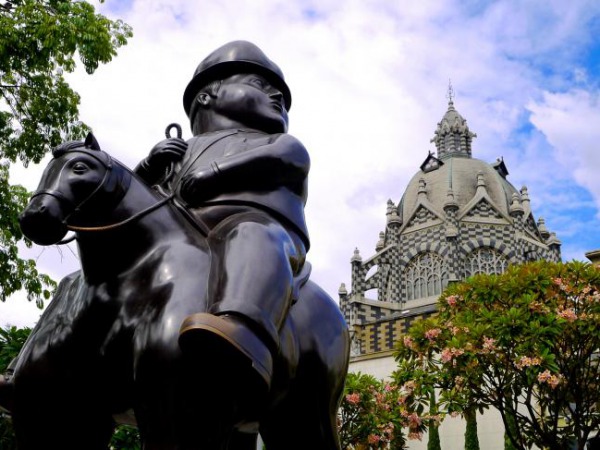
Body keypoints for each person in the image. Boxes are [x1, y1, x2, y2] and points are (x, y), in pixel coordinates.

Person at [135, 41, 310, 397]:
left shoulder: (279, 142)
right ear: (207, 96)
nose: (276, 95)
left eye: (277, 91)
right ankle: (35, 363)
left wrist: (214, 173)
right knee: (83, 279)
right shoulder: (179, 153)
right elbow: (137, 206)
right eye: (260, 85)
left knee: (247, 234)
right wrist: (146, 169)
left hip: (259, 233)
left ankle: (243, 331)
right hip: (182, 240)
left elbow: (287, 158)